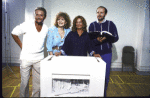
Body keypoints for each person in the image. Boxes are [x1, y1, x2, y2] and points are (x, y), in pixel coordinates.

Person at [11, 7, 48, 97]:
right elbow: (14, 32)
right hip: (26, 58)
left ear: (45, 17)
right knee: (24, 82)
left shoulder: (46, 28)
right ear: (34, 15)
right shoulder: (27, 24)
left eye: (41, 15)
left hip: (39, 59)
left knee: (37, 84)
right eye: (37, 14)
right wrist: (21, 46)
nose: (38, 17)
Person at [88, 6, 119, 97]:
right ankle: (94, 94)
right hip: (95, 54)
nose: (99, 14)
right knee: (94, 76)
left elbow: (116, 37)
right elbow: (89, 41)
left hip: (107, 54)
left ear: (105, 14)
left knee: (105, 76)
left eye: (101, 12)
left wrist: (107, 38)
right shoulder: (92, 25)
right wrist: (97, 40)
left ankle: (103, 94)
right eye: (98, 12)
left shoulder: (111, 24)